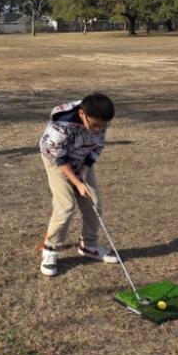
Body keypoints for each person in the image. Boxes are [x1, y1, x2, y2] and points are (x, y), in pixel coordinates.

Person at [39, 92, 117, 276]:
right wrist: (76, 182)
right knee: (65, 205)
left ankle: (89, 245)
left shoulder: (101, 120)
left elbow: (97, 146)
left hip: (80, 158)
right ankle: (50, 250)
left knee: (95, 203)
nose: (99, 129)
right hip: (56, 159)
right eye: (95, 125)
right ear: (82, 114)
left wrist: (83, 172)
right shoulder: (61, 124)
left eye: (103, 125)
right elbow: (59, 158)